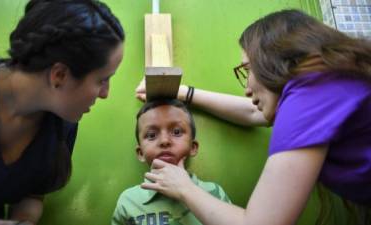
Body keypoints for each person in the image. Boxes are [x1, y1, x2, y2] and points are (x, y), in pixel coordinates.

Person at [136, 9, 371, 225]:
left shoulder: (311, 93)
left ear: (276, 62)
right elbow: (252, 111)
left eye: (247, 70)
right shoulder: (327, 86)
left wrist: (183, 187)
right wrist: (183, 92)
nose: (247, 88)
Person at [0, 0, 124, 224]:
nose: (105, 93)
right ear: (59, 75)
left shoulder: (63, 124)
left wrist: (22, 221)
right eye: (102, 80)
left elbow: (32, 194)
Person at [111, 99, 231, 225]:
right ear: (141, 153)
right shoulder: (129, 201)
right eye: (151, 135)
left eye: (177, 132)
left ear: (193, 147)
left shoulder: (214, 193)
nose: (164, 141)